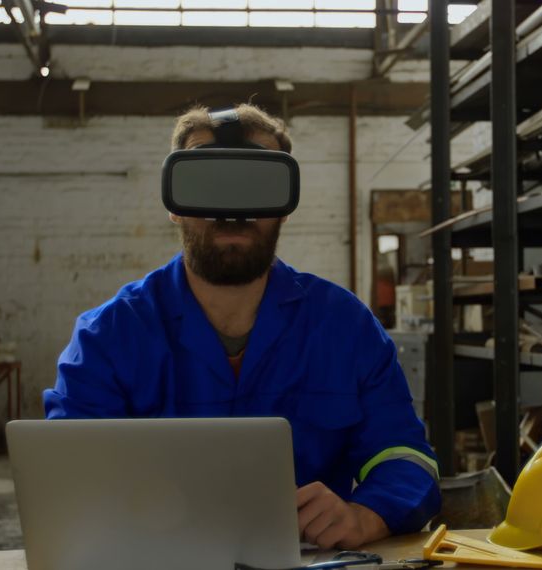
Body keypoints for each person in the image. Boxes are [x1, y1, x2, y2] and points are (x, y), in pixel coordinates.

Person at [43, 104, 440, 549]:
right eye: (208, 184)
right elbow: (70, 480)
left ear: (285, 207)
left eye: (255, 184)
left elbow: (403, 454)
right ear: (173, 205)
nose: (231, 210)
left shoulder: (347, 329)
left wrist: (368, 515)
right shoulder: (107, 338)